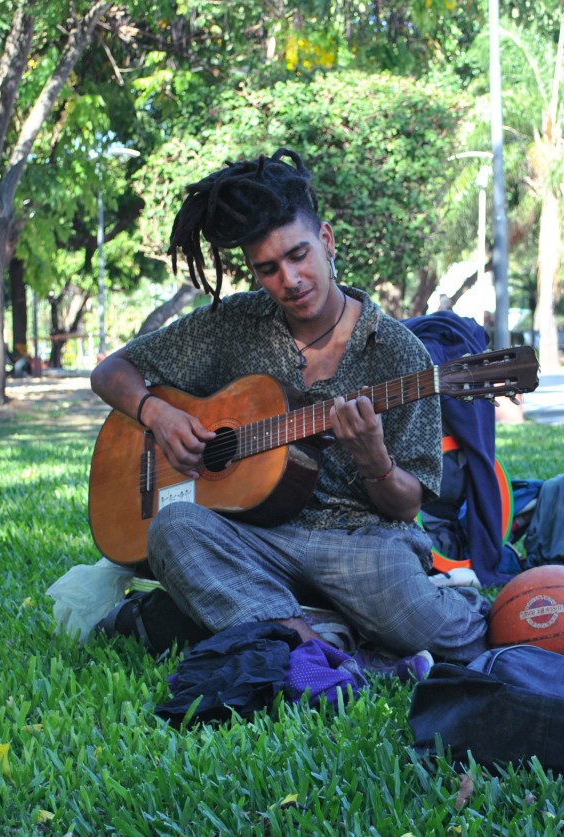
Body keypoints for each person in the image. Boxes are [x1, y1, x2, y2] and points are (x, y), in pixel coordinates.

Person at [90, 148, 490, 668]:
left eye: (298, 256)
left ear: (325, 240)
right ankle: (314, 635)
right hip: (254, 537)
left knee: (446, 632)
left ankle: (288, 632)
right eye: (268, 269)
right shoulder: (235, 324)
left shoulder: (397, 353)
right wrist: (158, 415)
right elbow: (110, 372)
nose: (290, 280)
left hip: (359, 544)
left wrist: (375, 461)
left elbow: (406, 506)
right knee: (172, 529)